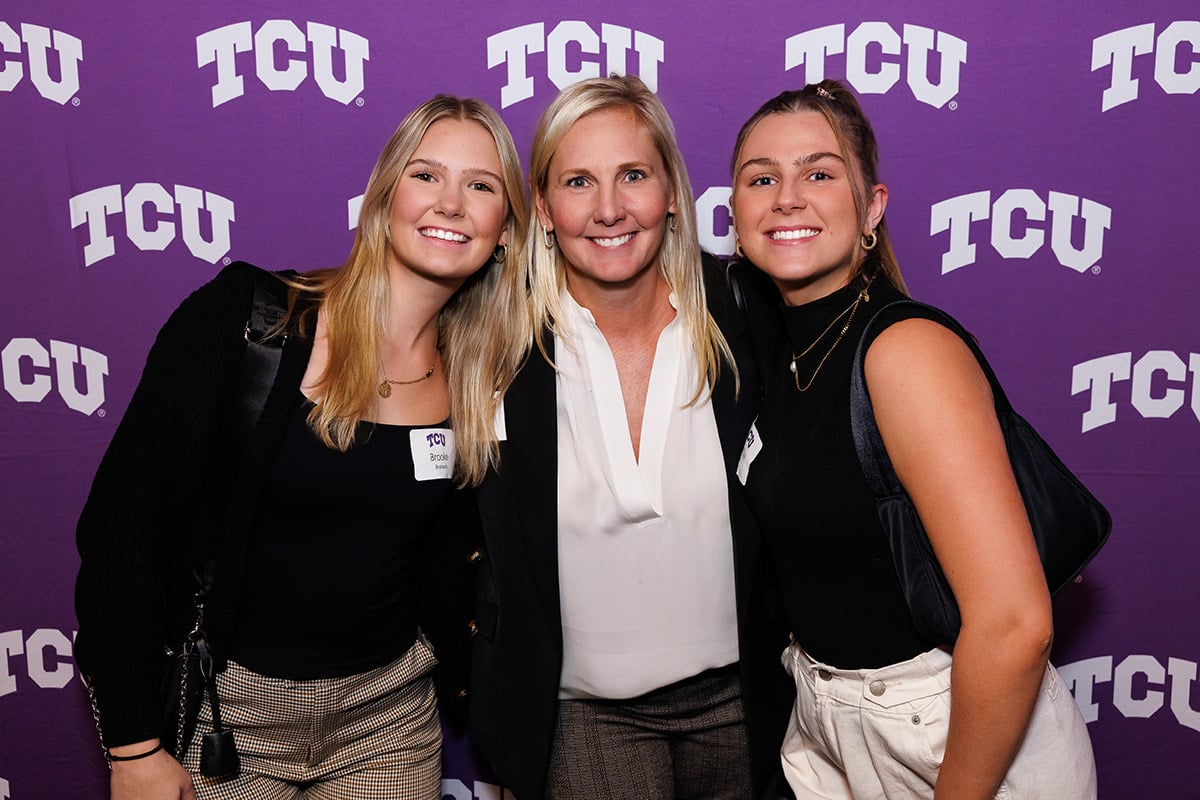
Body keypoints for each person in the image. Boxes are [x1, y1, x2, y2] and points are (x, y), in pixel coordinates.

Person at [74, 94, 528, 800]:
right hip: (231, 722)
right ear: (382, 200)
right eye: (426, 175)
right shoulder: (246, 323)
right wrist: (133, 745)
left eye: (481, 185)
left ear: (505, 231)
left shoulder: (484, 378)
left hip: (389, 725)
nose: (451, 203)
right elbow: (122, 532)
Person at [730, 80, 1097, 800]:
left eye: (820, 172)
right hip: (825, 723)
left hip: (950, 736)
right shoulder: (780, 342)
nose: (787, 196)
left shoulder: (905, 351)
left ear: (872, 207)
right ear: (735, 208)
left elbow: (1015, 624)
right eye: (761, 178)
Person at [465, 74, 791, 800]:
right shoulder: (493, 338)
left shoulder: (747, 313)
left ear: (673, 190)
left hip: (752, 704)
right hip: (581, 718)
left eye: (634, 176)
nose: (609, 209)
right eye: (579, 181)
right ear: (543, 207)